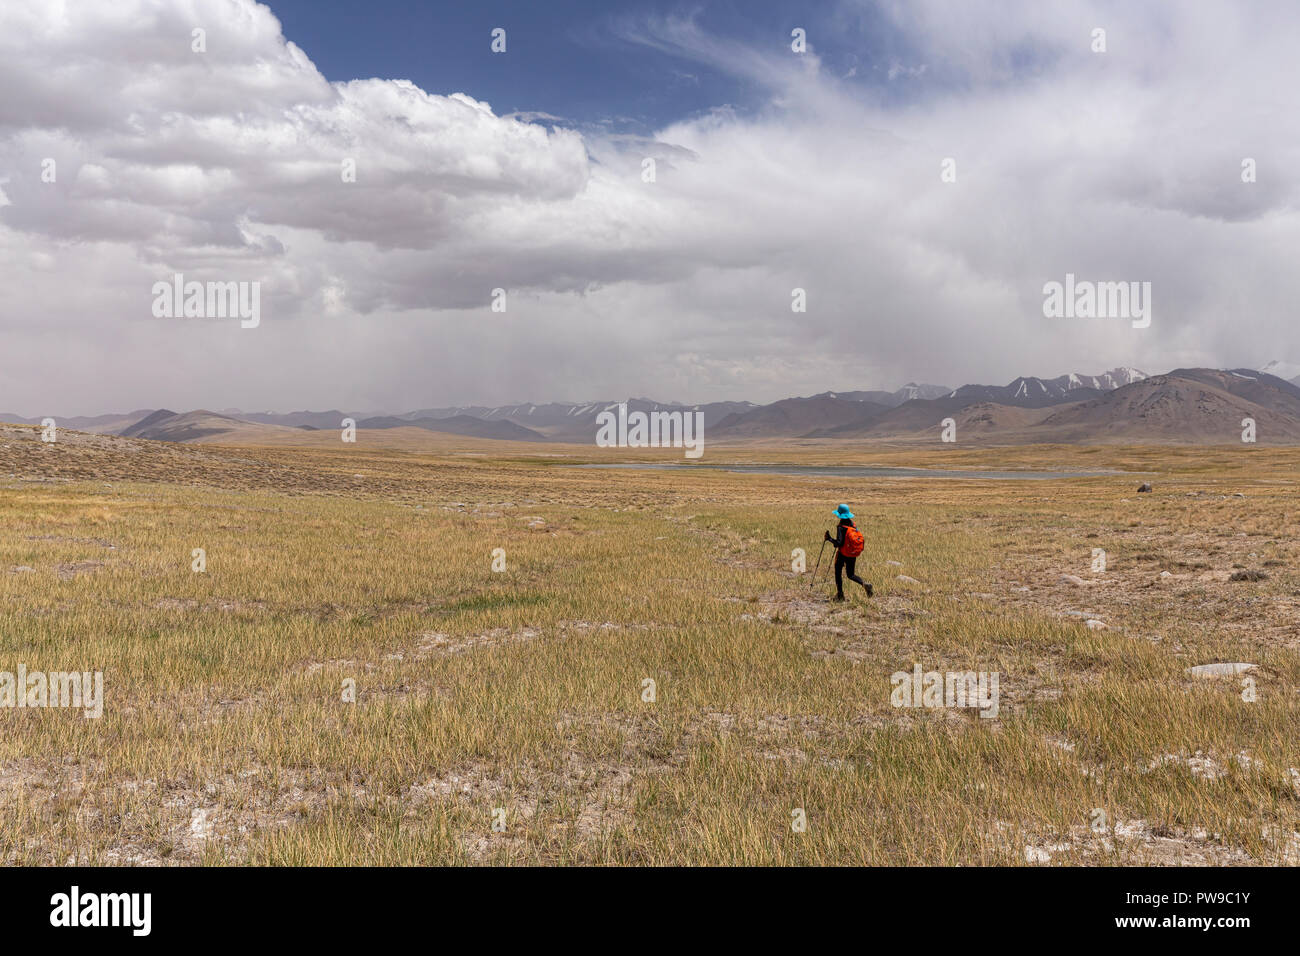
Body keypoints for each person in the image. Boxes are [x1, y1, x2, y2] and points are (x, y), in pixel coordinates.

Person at [824, 504, 872, 601]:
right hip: (852, 553)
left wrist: (829, 539)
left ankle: (840, 595)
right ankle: (863, 583)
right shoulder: (852, 524)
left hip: (843, 553)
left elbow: (839, 543)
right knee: (851, 575)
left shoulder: (841, 527)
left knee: (838, 572)